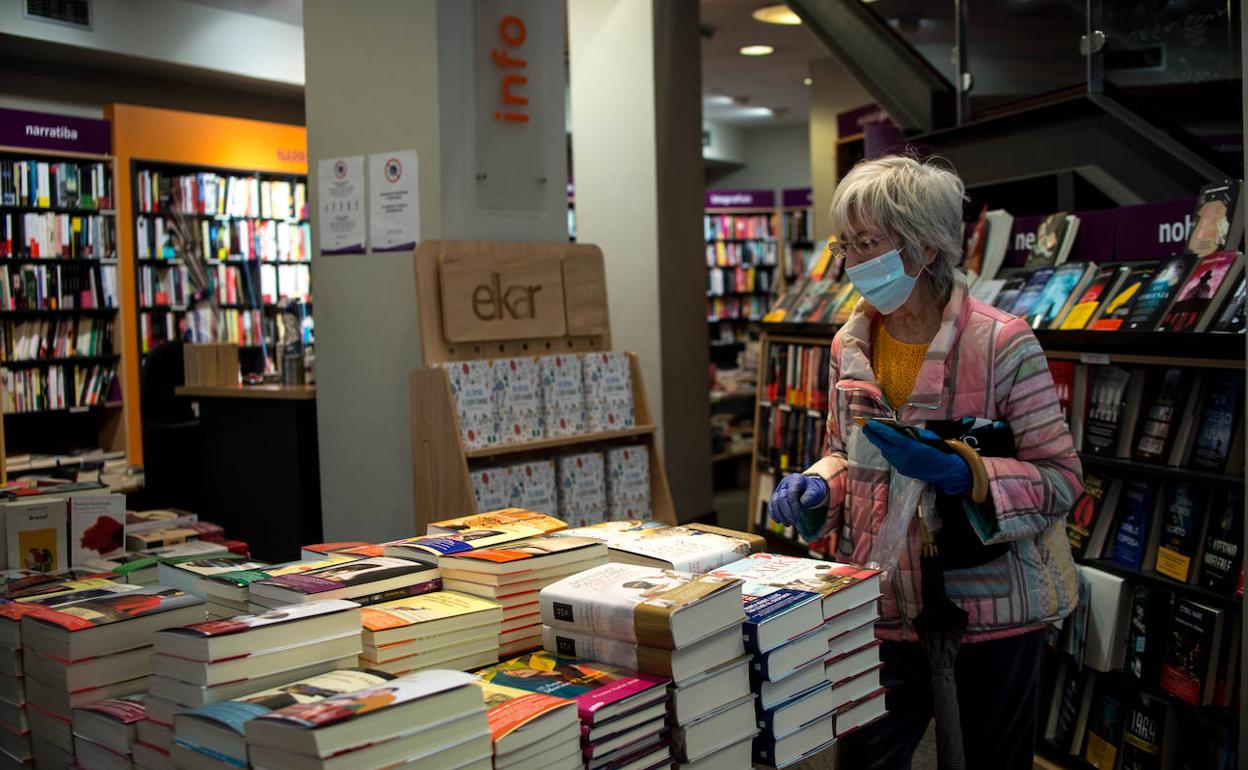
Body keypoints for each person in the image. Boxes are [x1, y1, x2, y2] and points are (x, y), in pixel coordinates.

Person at [769, 155, 1081, 770]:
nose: (853, 262)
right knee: (866, 759)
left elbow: (1061, 479)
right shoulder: (850, 343)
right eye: (846, 244)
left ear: (925, 248)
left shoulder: (1002, 342)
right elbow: (843, 453)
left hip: (991, 609)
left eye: (869, 243)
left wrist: (970, 473)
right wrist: (817, 487)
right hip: (881, 603)